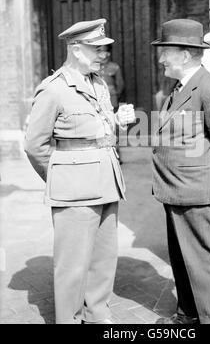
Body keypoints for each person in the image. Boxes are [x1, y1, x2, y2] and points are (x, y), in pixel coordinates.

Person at [24, 19, 135, 325]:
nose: (103, 54)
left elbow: (98, 129)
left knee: (103, 260)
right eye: (96, 48)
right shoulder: (54, 89)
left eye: (104, 48)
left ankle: (98, 316)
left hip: (107, 182)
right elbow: (35, 145)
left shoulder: (98, 84)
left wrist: (118, 122)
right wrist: (62, 177)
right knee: (72, 266)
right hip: (74, 190)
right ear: (75, 48)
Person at [151, 19, 210, 325]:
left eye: (166, 51)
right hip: (176, 189)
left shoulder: (207, 88)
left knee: (202, 261)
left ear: (186, 55)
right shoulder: (180, 87)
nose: (162, 58)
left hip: (196, 191)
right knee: (181, 258)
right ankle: (188, 314)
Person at [98, 45, 125, 111]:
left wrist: (115, 95)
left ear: (108, 53)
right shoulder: (93, 67)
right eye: (99, 51)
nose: (103, 54)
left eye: (104, 51)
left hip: (111, 100)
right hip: (98, 101)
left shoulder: (114, 67)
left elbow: (120, 85)